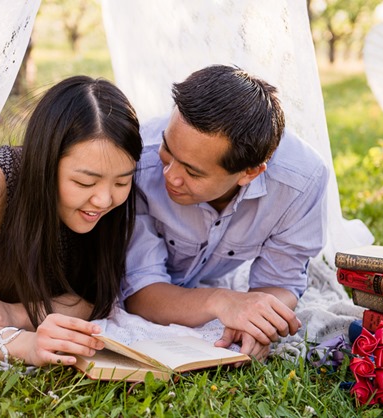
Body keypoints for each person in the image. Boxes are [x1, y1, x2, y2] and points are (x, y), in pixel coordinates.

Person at [0, 76, 143, 367]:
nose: (104, 200)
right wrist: (27, 344)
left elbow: (92, 298)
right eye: (84, 182)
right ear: (46, 162)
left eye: (121, 181)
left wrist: (12, 314)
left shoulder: (110, 201)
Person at [121, 65, 329, 360]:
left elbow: (280, 282)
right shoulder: (136, 158)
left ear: (250, 173)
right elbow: (140, 293)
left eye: (192, 172)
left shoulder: (300, 182)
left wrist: (256, 320)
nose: (170, 175)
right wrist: (222, 301)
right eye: (168, 150)